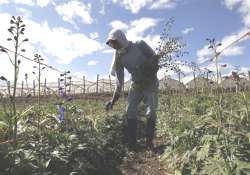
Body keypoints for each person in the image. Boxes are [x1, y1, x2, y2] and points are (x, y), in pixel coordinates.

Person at [105, 29, 159, 150]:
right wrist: (112, 101)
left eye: (115, 43)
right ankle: (132, 143)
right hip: (136, 84)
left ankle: (149, 142)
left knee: (151, 111)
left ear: (121, 39)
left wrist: (150, 68)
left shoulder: (139, 45)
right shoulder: (119, 58)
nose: (115, 47)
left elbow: (155, 58)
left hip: (150, 82)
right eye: (112, 45)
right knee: (130, 111)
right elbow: (119, 82)